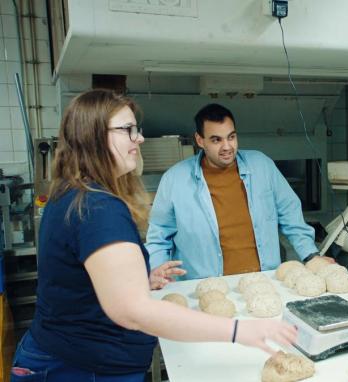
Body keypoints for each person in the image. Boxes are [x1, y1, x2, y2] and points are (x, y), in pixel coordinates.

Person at [10, 90, 297, 381]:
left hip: (78, 360)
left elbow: (84, 281)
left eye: (137, 129)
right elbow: (133, 311)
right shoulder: (98, 207)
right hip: (80, 368)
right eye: (128, 130)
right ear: (93, 136)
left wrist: (138, 279)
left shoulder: (77, 192)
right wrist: (238, 330)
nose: (140, 138)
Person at [145, 103, 330, 284]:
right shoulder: (175, 179)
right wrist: (158, 273)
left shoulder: (262, 166)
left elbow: (290, 215)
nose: (227, 147)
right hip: (205, 287)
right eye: (216, 140)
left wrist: (311, 255)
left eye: (231, 137)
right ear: (200, 140)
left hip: (264, 282)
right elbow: (159, 237)